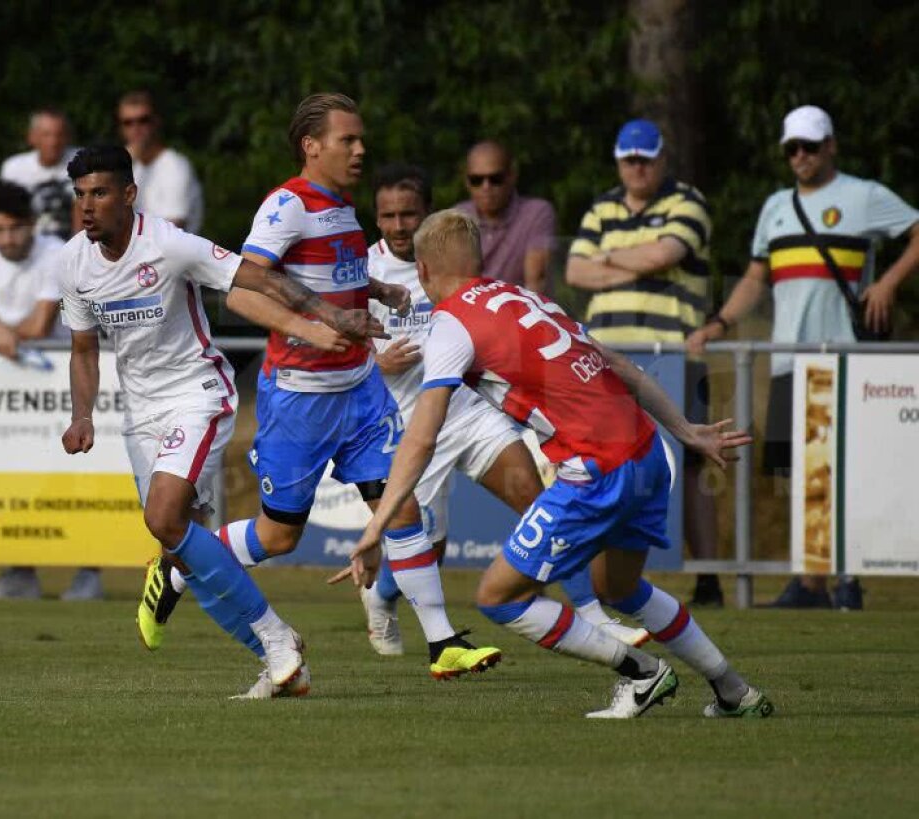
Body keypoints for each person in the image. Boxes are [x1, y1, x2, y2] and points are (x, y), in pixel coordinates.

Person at [343, 209, 774, 719]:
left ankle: (643, 673)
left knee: (500, 598)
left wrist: (377, 525)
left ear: (422, 270)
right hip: (646, 452)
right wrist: (685, 431)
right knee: (619, 588)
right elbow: (619, 365)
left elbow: (421, 435)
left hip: (596, 469)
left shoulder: (450, 325)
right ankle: (734, 692)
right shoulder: (526, 298)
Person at [138, 93, 503, 687]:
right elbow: (242, 291)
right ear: (312, 146)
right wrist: (313, 328)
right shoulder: (287, 206)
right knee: (280, 536)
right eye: (347, 140)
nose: (360, 149)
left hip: (360, 390)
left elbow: (330, 275)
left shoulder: (342, 207)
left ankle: (442, 643)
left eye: (361, 139)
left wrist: (377, 291)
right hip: (301, 398)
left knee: (401, 505)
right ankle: (180, 567)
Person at [58, 143, 381, 697]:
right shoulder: (72, 263)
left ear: (129, 194)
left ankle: (277, 639)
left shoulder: (170, 245)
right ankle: (279, 661)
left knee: (163, 519)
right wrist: (81, 415)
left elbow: (257, 278)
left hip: (198, 394)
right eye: (80, 194)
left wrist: (328, 314)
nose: (88, 206)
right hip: (140, 414)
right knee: (186, 548)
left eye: (100, 193)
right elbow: (83, 349)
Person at [360, 162, 649, 654]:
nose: (399, 225)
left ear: (428, 213)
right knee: (428, 546)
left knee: (535, 499)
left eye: (409, 214)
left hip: (468, 412)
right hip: (409, 422)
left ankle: (592, 613)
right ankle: (381, 597)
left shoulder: (453, 264)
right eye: (388, 215)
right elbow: (337, 346)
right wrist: (376, 363)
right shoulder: (364, 271)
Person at [687, 105, 919, 610]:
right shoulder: (776, 205)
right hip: (788, 359)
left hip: (842, 360)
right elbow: (756, 278)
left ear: (830, 146)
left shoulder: (864, 196)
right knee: (798, 474)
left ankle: (846, 578)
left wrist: (887, 283)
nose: (800, 156)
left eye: (809, 146)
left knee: (841, 473)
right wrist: (718, 323)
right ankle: (812, 583)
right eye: (791, 148)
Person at [565, 119, 724, 608]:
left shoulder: (687, 202)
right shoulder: (603, 207)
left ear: (661, 159)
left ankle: (710, 577)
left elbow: (666, 254)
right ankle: (605, 576)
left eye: (645, 159)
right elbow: (575, 270)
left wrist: (608, 259)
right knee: (605, 459)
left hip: (673, 349)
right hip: (606, 355)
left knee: (692, 461)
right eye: (629, 159)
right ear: (618, 161)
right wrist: (641, 257)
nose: (637, 168)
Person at [0, 181, 103, 602]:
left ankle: (88, 572)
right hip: (16, 388)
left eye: (15, 229)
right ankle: (20, 572)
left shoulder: (57, 254)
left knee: (77, 479)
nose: (7, 240)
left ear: (31, 224)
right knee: (19, 477)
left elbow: (41, 325)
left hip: (65, 382)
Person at [454, 141, 555, 291]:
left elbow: (536, 280)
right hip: (470, 303)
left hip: (519, 303)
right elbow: (453, 281)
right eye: (476, 180)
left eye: (496, 179)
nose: (486, 186)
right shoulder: (456, 218)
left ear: (512, 176)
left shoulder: (536, 213)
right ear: (466, 181)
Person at [117, 90, 204, 233]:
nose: (136, 128)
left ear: (156, 122)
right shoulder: (129, 168)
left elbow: (173, 230)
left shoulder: (175, 166)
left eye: (143, 120)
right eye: (128, 123)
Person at [0, 108, 79, 240]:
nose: (53, 142)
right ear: (32, 137)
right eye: (46, 135)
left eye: (59, 135)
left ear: (68, 137)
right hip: (29, 243)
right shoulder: (13, 168)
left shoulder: (83, 160)